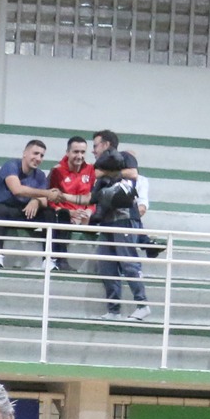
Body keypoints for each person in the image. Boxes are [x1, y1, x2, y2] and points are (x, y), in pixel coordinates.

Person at [91, 151, 149, 321]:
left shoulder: (124, 183)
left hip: (124, 222)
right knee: (106, 265)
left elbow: (120, 201)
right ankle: (113, 309)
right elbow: (93, 200)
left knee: (129, 264)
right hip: (108, 224)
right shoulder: (102, 183)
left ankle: (142, 304)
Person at [0, 139, 59, 267]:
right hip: (4, 211)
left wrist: (36, 201)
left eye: (41, 155)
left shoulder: (40, 175)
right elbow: (17, 190)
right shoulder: (10, 166)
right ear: (25, 153)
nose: (38, 158)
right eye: (35, 153)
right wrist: (45, 194)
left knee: (49, 213)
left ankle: (48, 259)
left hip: (25, 212)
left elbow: (45, 201)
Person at [48, 136, 96, 271]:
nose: (79, 156)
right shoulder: (57, 171)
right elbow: (50, 199)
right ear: (67, 152)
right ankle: (61, 260)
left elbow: (93, 198)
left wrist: (89, 211)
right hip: (65, 215)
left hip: (84, 215)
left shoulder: (90, 170)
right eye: (76, 152)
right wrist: (70, 212)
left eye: (82, 152)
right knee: (62, 216)